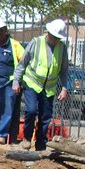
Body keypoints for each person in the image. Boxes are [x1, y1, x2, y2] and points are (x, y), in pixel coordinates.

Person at [12, 19, 70, 151]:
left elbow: (64, 70)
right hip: (32, 83)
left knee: (45, 117)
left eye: (58, 38)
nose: (55, 40)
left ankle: (40, 144)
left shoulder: (62, 48)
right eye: (54, 36)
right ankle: (27, 138)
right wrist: (16, 81)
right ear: (48, 32)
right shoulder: (36, 42)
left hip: (49, 88)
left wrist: (64, 88)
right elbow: (22, 64)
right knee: (31, 110)